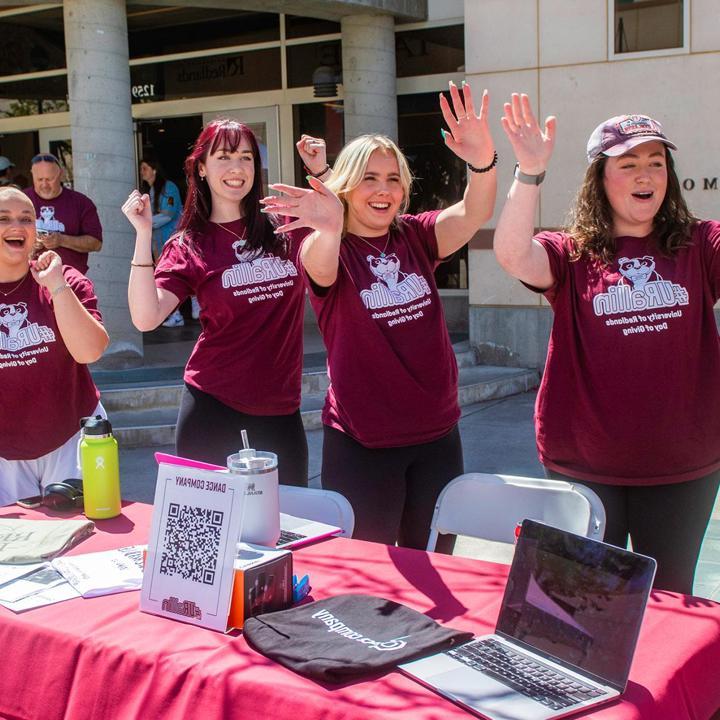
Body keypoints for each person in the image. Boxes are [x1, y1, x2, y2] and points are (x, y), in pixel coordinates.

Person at [493, 94, 720, 594]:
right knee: (582, 606)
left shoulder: (699, 243)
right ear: (601, 178)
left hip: (682, 467)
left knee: (668, 601)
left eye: (657, 163)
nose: (647, 175)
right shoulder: (573, 252)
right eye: (630, 163)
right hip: (584, 466)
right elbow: (511, 254)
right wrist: (529, 170)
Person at [263, 82, 497, 550]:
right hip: (363, 444)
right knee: (371, 575)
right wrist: (329, 225)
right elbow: (320, 263)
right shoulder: (325, 246)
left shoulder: (415, 236)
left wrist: (483, 161)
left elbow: (473, 212)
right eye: (370, 178)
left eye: (393, 179)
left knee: (437, 563)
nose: (384, 190)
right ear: (347, 185)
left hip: (437, 436)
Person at [122, 119, 309, 487]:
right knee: (207, 530)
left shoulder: (287, 224)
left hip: (281, 408)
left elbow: (343, 222)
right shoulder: (190, 244)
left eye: (246, 157)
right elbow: (146, 317)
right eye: (224, 156)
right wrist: (143, 234)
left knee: (290, 527)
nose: (237, 168)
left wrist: (320, 170)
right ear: (202, 168)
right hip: (212, 406)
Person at [0, 187, 109, 505]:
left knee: (82, 544)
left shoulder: (67, 280)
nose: (16, 226)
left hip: (71, 439)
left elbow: (90, 351)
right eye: (3, 218)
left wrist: (57, 286)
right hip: (5, 454)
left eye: (26, 218)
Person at [24, 153, 103, 275]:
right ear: (32, 175)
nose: (44, 185)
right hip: (28, 279)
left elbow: (96, 243)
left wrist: (62, 240)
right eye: (40, 180)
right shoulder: (21, 200)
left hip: (69, 281)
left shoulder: (81, 203)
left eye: (49, 179)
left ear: (60, 175)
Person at [139, 155, 188, 327]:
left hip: (172, 240)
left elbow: (169, 214)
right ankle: (175, 314)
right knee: (165, 277)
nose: (142, 172)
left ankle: (180, 314)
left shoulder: (169, 187)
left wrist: (145, 223)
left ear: (154, 169)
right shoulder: (151, 190)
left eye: (145, 168)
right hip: (159, 241)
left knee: (173, 277)